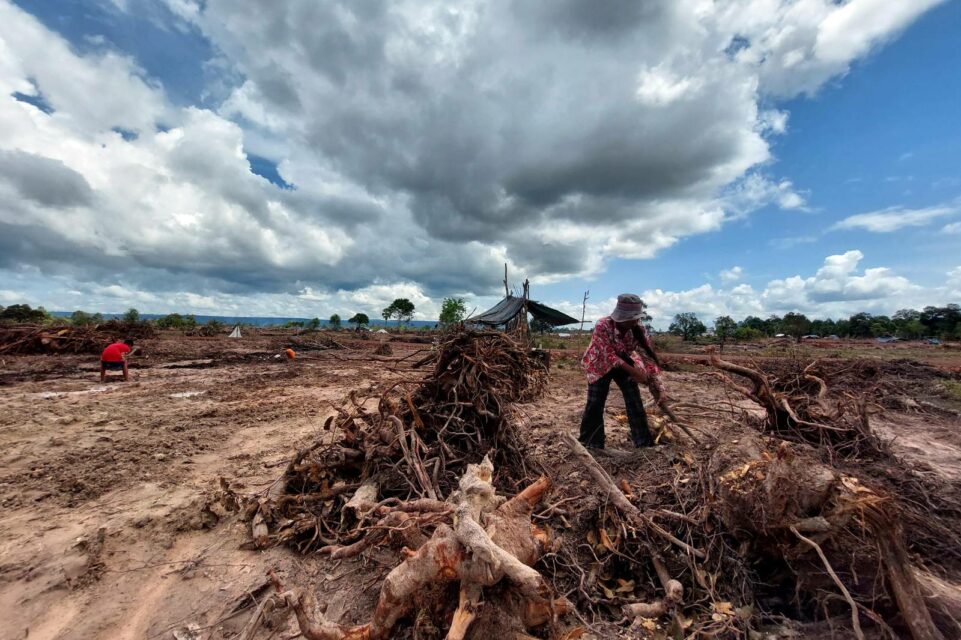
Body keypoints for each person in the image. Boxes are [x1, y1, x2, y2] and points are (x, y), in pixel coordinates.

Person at [578, 294, 665, 449]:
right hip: (598, 363)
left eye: (636, 318)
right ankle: (591, 443)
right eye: (631, 318)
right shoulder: (603, 325)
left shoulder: (639, 330)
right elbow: (609, 356)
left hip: (624, 363)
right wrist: (634, 372)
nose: (634, 321)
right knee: (595, 403)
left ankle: (643, 443)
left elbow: (649, 359)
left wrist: (659, 387)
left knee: (634, 401)